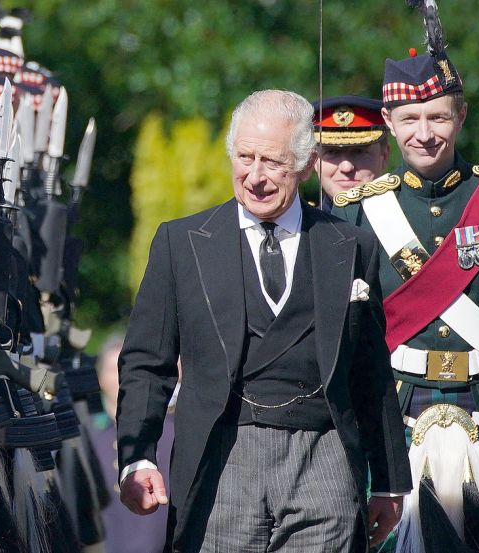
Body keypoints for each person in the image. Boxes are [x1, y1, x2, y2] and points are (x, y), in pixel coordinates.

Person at [116, 88, 412, 553]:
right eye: (245, 157)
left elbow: (370, 372)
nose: (255, 176)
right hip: (222, 459)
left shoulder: (351, 246)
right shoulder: (181, 243)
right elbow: (145, 363)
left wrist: (390, 481)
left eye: (272, 162)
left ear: (306, 163)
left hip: (325, 457)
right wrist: (136, 458)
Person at [332, 15, 479, 550]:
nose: (425, 133)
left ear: (460, 116)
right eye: (410, 118)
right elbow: (344, 339)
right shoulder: (358, 214)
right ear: (390, 124)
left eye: (438, 117)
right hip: (393, 421)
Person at [90, 335, 174, 553]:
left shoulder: (170, 430)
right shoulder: (87, 434)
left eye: (126, 368)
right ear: (100, 377)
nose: (120, 377)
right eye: (113, 369)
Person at [311, 95, 390, 212]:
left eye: (359, 151)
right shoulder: (298, 228)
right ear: (314, 160)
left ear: (384, 156)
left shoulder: (407, 223)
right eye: (332, 152)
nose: (346, 167)